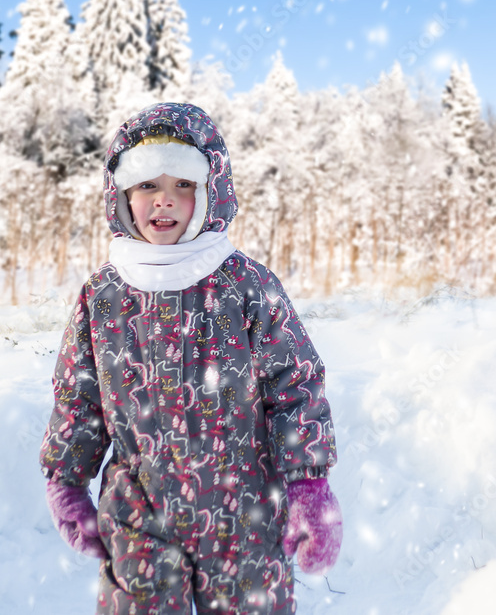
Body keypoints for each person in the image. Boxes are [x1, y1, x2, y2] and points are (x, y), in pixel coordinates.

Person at [39, 103, 341, 614]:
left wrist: (309, 486)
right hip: (139, 510)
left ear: (209, 194)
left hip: (244, 511)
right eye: (147, 186)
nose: (165, 201)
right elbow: (79, 397)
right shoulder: (103, 296)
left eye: (183, 185)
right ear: (122, 196)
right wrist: (66, 481)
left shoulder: (244, 285)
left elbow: (296, 387)